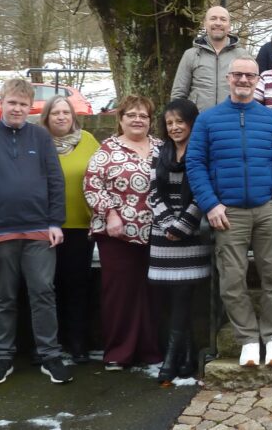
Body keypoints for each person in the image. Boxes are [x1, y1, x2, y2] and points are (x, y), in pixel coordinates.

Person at [186, 57, 272, 368]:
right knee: (232, 280)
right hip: (227, 212)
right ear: (229, 78)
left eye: (250, 75)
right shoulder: (208, 120)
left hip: (266, 208)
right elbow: (195, 165)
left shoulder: (271, 119)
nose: (244, 80)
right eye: (238, 75)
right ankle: (248, 338)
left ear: (256, 80)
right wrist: (210, 204)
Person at [0, 78, 71, 386]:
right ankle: (2, 358)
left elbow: (55, 180)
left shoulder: (40, 136)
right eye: (12, 103)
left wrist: (54, 221)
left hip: (39, 231)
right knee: (4, 297)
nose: (18, 109)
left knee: (43, 294)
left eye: (23, 104)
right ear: (2, 103)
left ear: (30, 106)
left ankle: (50, 355)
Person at [84, 94, 163, 371]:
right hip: (117, 233)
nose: (138, 120)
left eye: (143, 115)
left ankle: (149, 351)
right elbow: (93, 185)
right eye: (132, 115)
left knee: (150, 292)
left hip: (156, 232)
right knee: (120, 293)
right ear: (120, 119)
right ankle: (118, 352)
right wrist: (111, 214)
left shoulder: (160, 148)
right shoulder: (108, 149)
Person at [148, 99, 209, 383]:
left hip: (192, 233)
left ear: (192, 122)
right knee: (172, 298)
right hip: (164, 234)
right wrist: (167, 225)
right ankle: (186, 356)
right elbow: (152, 194)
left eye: (179, 122)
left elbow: (204, 191)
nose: (174, 127)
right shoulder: (159, 151)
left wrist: (184, 225)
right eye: (169, 123)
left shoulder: (203, 150)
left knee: (184, 295)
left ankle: (171, 361)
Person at [40, 94, 101, 366]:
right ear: (47, 118)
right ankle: (49, 344)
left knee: (77, 286)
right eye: (55, 113)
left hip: (79, 227)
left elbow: (102, 176)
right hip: (44, 227)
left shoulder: (88, 141)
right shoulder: (38, 142)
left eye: (66, 112)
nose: (61, 117)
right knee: (46, 287)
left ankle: (78, 344)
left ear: (73, 116)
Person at [171, 6, 255, 110]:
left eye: (223, 19)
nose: (218, 23)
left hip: (232, 120)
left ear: (229, 25)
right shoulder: (191, 55)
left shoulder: (242, 55)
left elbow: (252, 91)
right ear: (205, 23)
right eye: (213, 18)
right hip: (198, 121)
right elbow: (178, 95)